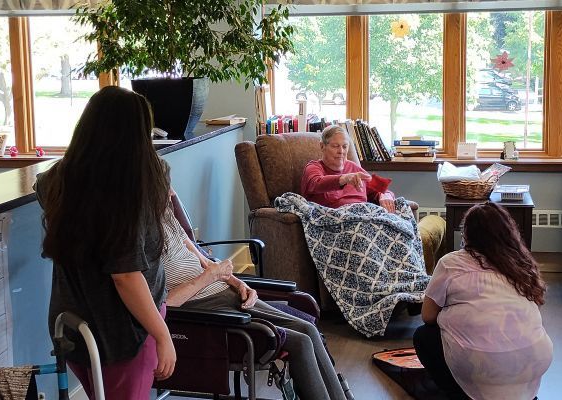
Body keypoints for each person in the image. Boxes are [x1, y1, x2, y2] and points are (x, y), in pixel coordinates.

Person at [34, 86, 176, 399]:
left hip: (72, 325)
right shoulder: (133, 190)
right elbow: (125, 275)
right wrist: (162, 335)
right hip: (125, 331)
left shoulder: (55, 182)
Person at [161, 197, 349, 400]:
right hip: (206, 311)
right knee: (301, 342)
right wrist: (209, 278)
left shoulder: (166, 216)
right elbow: (163, 306)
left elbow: (207, 262)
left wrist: (241, 284)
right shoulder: (138, 237)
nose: (172, 195)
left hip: (226, 294)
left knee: (308, 329)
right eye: (166, 187)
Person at [413, 203, 553, 400]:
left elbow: (427, 316)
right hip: (534, 360)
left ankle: (457, 393)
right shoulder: (521, 263)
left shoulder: (450, 263)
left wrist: (455, 318)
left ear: (466, 233)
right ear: (508, 232)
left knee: (424, 336)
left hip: (483, 367)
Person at [300, 125, 396, 213]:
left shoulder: (353, 167)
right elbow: (316, 183)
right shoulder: (314, 167)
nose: (341, 151)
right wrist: (344, 179)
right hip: (337, 221)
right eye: (335, 146)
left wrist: (385, 196)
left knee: (401, 206)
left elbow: (381, 190)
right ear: (322, 146)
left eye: (344, 146)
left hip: (366, 215)